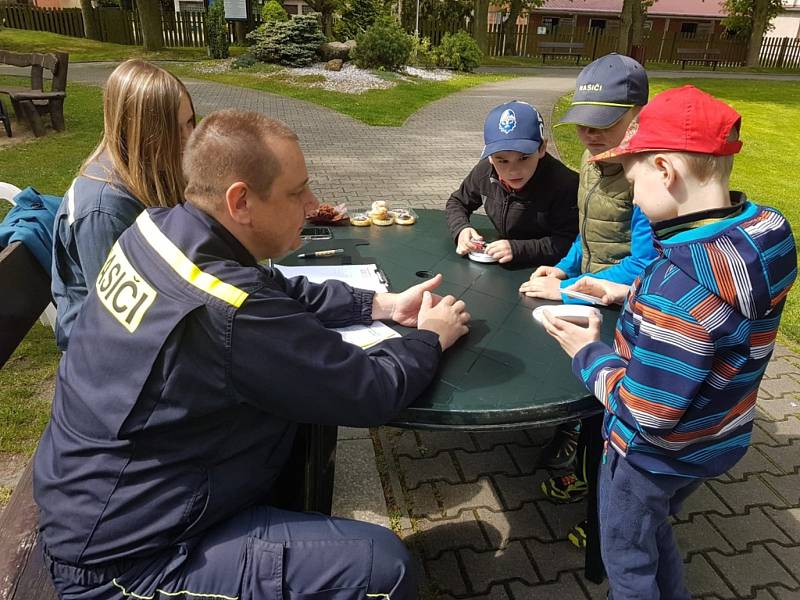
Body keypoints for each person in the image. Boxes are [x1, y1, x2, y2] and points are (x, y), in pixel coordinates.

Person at [34, 109, 471, 600]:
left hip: (99, 497)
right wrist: (429, 337)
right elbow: (367, 391)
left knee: (293, 431)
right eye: (296, 192)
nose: (311, 205)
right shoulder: (228, 310)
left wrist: (380, 303)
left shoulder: (160, 228)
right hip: (124, 565)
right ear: (240, 201)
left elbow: (272, 286)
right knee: (382, 569)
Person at [541, 85, 796, 599]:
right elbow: (715, 316)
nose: (633, 195)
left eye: (634, 179)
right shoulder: (766, 235)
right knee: (654, 532)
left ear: (664, 170)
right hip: (718, 436)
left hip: (650, 456)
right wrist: (625, 288)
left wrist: (588, 354)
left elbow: (648, 410)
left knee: (629, 561)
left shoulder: (680, 287)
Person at [519, 56, 657, 538]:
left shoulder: (645, 178)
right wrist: (564, 264)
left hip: (621, 304)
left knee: (610, 400)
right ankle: (575, 440)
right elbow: (588, 232)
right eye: (581, 123)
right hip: (585, 291)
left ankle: (600, 495)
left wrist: (563, 289)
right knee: (577, 377)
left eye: (604, 124)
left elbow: (642, 263)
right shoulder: (590, 161)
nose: (589, 135)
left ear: (637, 115)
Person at [51, 59, 196, 351]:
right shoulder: (104, 210)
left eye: (191, 122)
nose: (189, 139)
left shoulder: (156, 171)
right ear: (139, 132)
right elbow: (122, 323)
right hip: (105, 359)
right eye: (173, 130)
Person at [446, 100, 579, 266]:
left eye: (523, 158)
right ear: (489, 156)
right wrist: (461, 229)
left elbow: (570, 242)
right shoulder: (485, 171)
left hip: (545, 273)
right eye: (502, 160)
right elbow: (457, 202)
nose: (513, 171)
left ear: (542, 148)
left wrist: (518, 249)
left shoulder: (565, 185)